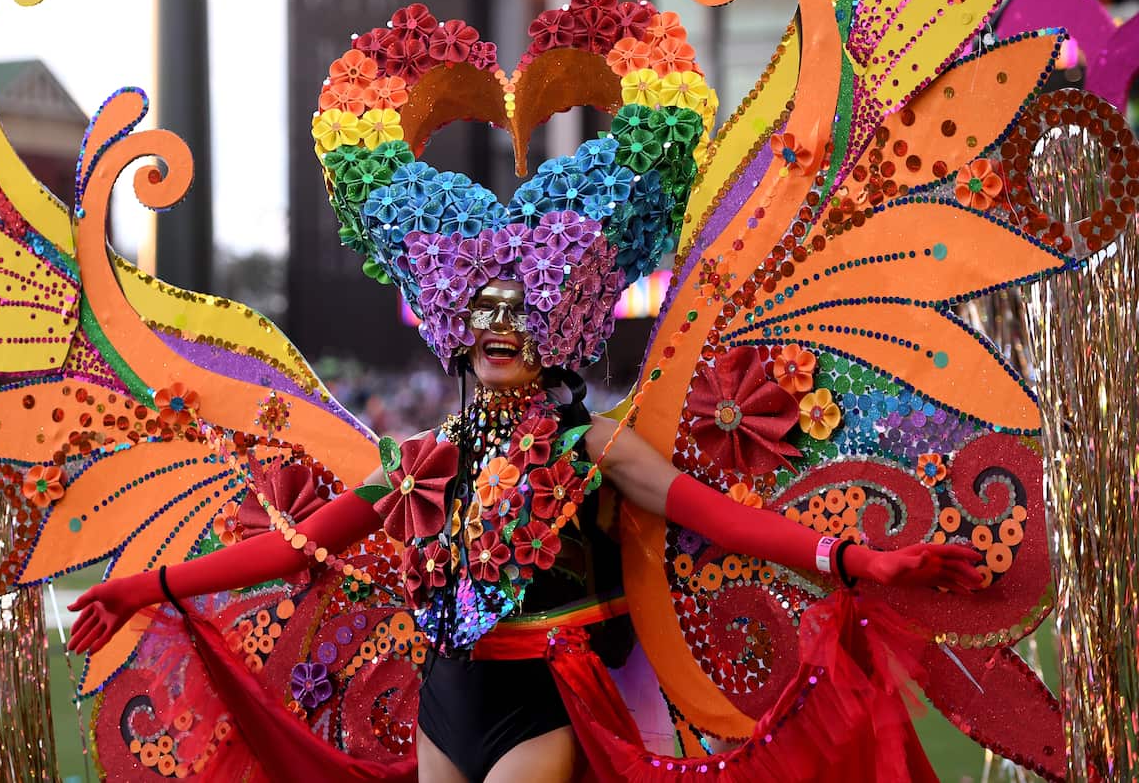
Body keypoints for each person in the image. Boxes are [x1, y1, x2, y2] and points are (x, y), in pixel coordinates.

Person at [69, 275, 982, 783]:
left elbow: (715, 515)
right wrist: (140, 586)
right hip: (446, 699)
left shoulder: (598, 448)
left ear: (557, 333)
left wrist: (855, 555)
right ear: (459, 337)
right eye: (485, 316)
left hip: (547, 698)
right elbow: (297, 546)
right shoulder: (420, 455)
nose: (500, 329)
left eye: (522, 314)